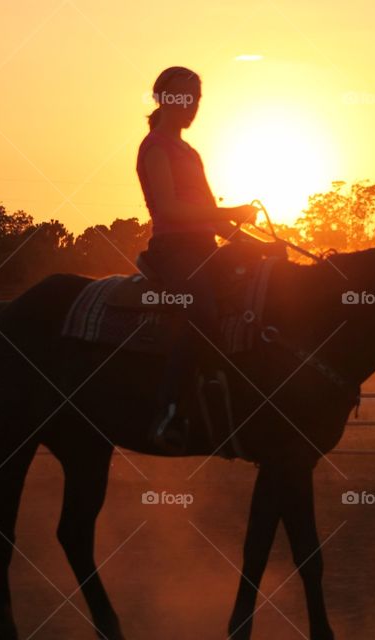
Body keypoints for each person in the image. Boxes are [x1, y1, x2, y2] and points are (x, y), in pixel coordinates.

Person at [137, 66, 257, 450]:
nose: (191, 105)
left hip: (204, 249)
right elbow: (169, 210)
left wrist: (254, 243)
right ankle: (166, 409)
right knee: (202, 311)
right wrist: (229, 213)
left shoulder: (191, 152)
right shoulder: (155, 146)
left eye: (196, 98)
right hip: (174, 251)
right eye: (183, 96)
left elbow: (209, 215)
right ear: (163, 99)